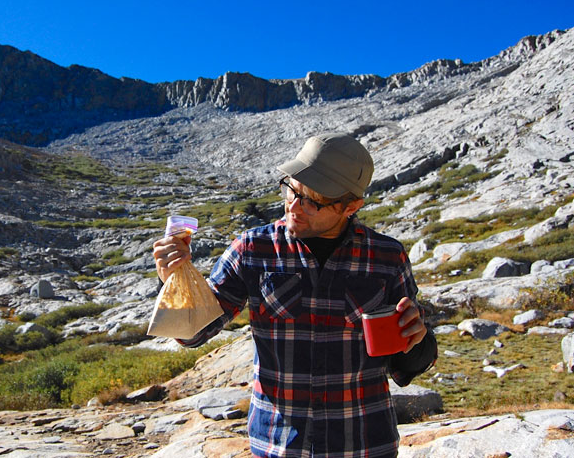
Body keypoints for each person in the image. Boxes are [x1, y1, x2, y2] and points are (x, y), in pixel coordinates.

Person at [152, 132, 437, 457]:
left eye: (313, 201)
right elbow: (194, 333)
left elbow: (407, 365)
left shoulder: (387, 257)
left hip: (365, 445)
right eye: (291, 189)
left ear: (351, 206)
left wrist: (417, 340)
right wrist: (175, 281)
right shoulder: (252, 249)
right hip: (279, 447)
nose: (294, 206)